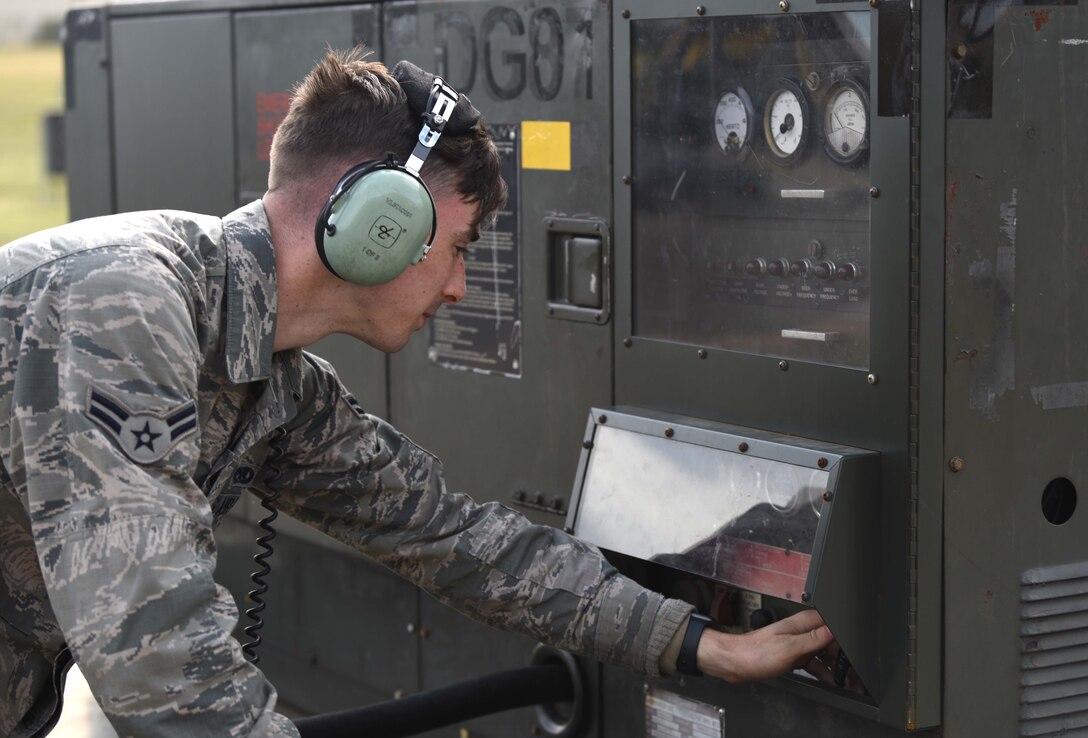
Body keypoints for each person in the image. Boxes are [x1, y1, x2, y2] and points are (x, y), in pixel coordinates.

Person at [0, 48, 835, 737]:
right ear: (378, 218)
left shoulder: (277, 385)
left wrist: (699, 645)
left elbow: (457, 539)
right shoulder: (123, 301)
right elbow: (157, 651)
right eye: (461, 245)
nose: (462, 286)